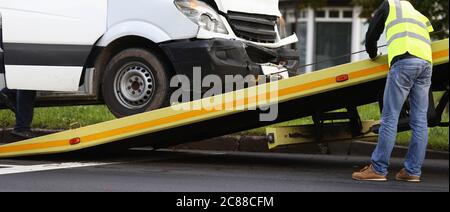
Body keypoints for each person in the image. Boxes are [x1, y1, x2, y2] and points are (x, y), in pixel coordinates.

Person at [352, 0, 434, 183]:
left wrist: (372, 54)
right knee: (420, 120)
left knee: (390, 117)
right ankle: (412, 171)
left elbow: (372, 33)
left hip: (404, 61)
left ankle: (378, 169)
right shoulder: (418, 14)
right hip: (426, 64)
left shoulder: (390, 5)